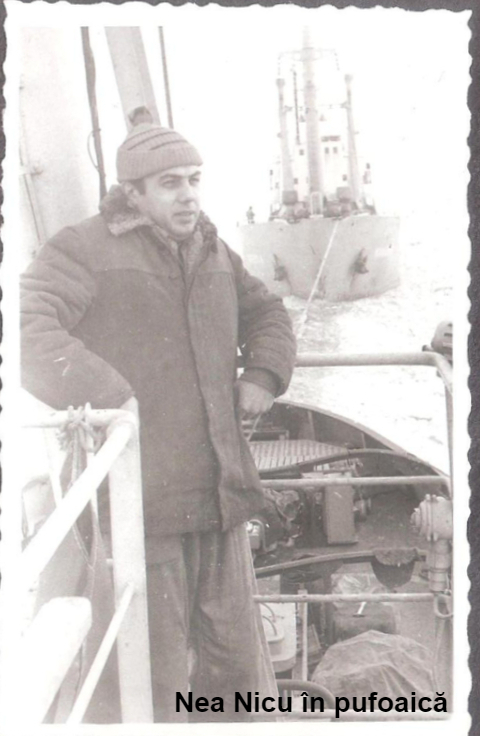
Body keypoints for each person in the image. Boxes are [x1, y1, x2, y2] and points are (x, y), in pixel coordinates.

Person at [20, 123, 297, 722]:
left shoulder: (211, 248)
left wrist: (263, 374)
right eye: (170, 183)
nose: (188, 195)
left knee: (236, 672)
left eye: (194, 180)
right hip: (143, 507)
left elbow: (269, 312)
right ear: (133, 193)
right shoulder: (83, 249)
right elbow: (23, 329)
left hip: (220, 498)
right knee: (155, 678)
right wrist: (112, 397)